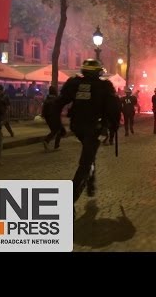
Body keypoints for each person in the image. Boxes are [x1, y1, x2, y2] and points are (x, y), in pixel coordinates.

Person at [52, 59, 121, 215]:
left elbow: (57, 104)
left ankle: (90, 183)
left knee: (89, 155)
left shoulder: (74, 84)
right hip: (94, 128)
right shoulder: (104, 86)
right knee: (85, 163)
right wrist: (112, 128)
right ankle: (69, 199)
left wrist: (58, 126)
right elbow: (114, 109)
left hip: (77, 127)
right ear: (99, 72)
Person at [42, 86, 66, 151]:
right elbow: (58, 108)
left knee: (57, 131)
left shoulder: (47, 99)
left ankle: (54, 144)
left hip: (48, 118)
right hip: (55, 117)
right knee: (58, 131)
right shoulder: (56, 99)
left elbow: (44, 109)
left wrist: (43, 115)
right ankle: (48, 141)